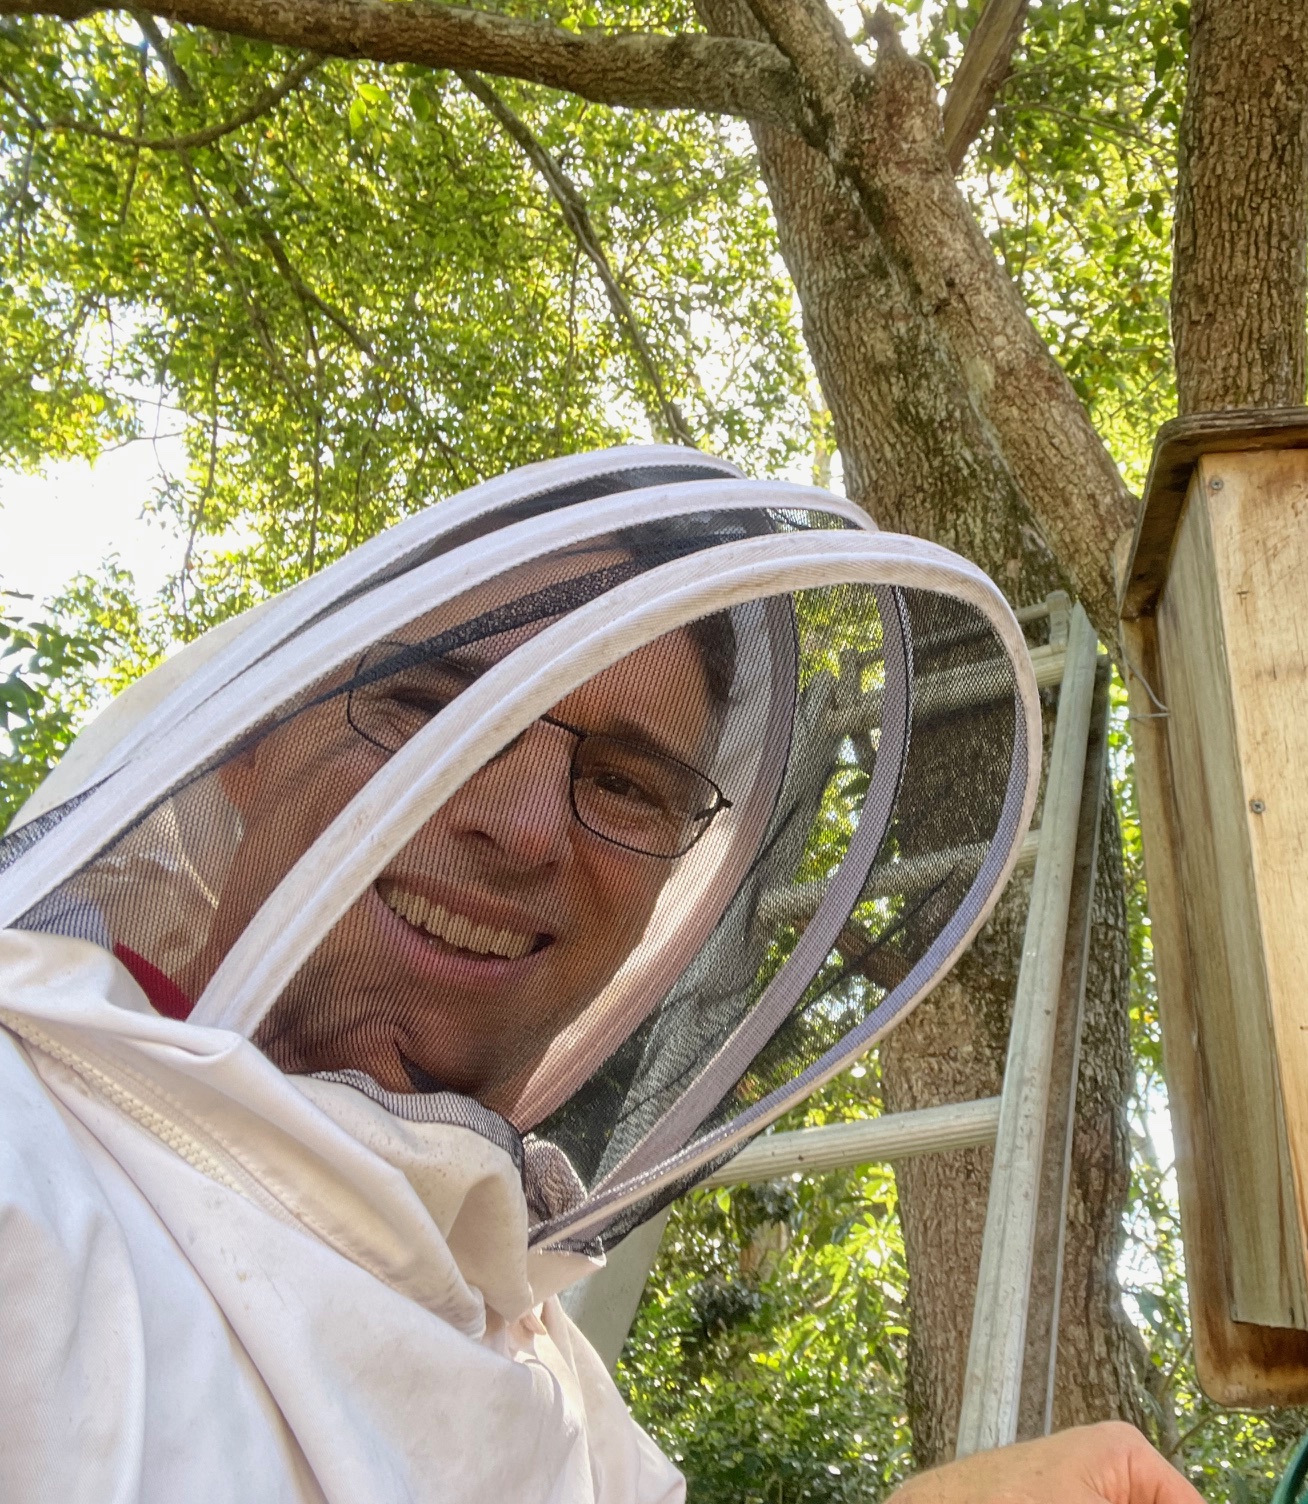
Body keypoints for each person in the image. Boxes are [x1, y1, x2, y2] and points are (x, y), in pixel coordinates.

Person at [0, 449, 1204, 1504]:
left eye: (627, 785)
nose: (527, 826)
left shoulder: (562, 1394)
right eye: (437, 709)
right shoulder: (28, 1161)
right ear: (249, 741)